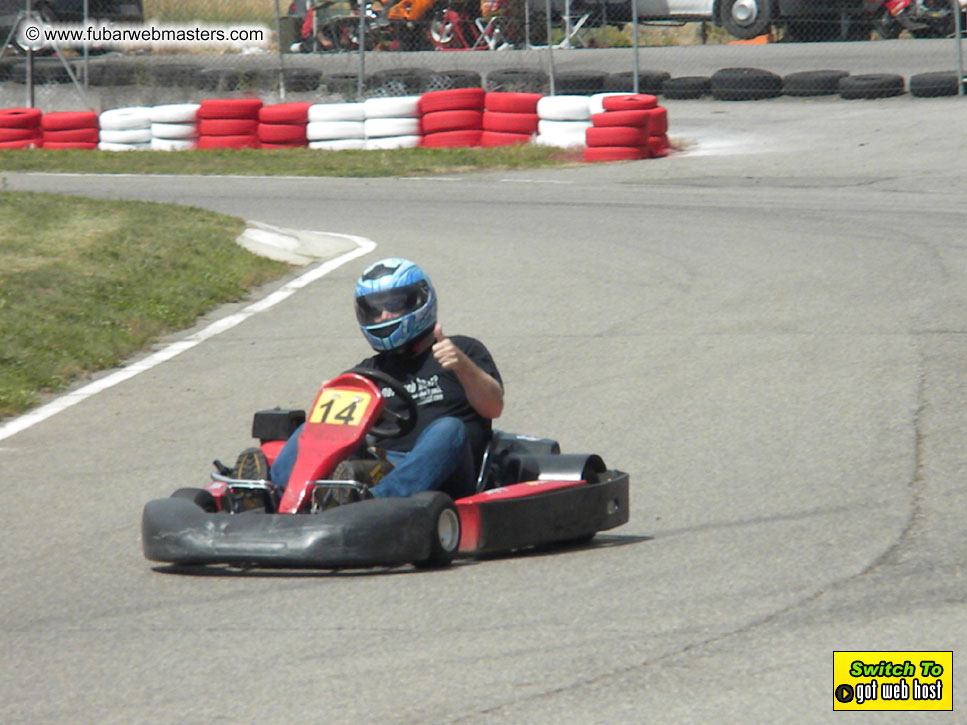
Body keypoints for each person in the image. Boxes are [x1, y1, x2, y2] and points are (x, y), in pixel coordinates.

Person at [239, 258, 503, 502]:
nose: (385, 316)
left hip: (446, 470)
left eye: (395, 304)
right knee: (314, 426)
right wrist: (328, 407)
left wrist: (463, 367)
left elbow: (493, 407)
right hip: (380, 467)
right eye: (376, 309)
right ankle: (270, 495)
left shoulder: (462, 351)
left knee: (449, 428)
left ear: (419, 300)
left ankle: (375, 504)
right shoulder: (367, 373)